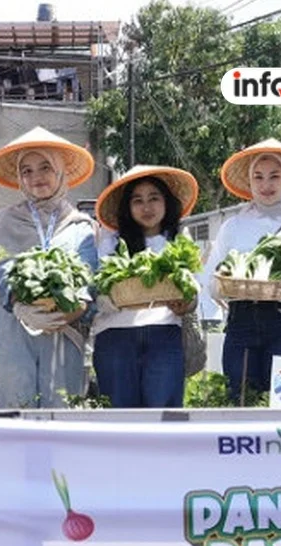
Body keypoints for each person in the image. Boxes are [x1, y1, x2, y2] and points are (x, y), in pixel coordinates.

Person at [0, 127, 99, 409]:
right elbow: (1, 270)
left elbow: (89, 281)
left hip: (63, 329)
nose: (36, 177)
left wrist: (68, 312)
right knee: (15, 406)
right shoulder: (3, 220)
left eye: (45, 167)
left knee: (62, 407)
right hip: (12, 326)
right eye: (27, 171)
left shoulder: (82, 225)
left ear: (60, 173)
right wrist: (21, 305)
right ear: (19, 179)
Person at [203, 139, 281, 403]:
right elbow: (212, 283)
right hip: (241, 325)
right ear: (250, 183)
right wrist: (230, 284)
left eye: (274, 176)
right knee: (241, 403)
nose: (266, 185)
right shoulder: (232, 226)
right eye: (258, 177)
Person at [92, 165, 199, 408]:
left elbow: (193, 290)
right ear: (127, 208)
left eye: (154, 198)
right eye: (137, 200)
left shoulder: (180, 239)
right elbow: (98, 291)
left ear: (166, 202)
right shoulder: (111, 242)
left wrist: (187, 303)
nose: (147, 207)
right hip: (115, 337)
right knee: (119, 421)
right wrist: (114, 298)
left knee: (164, 419)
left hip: (164, 335)